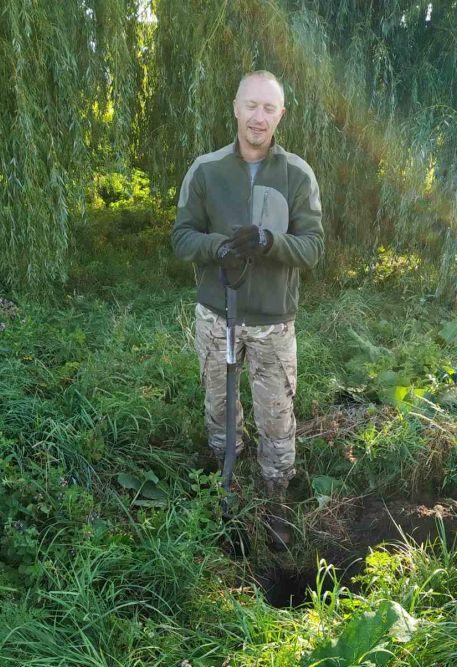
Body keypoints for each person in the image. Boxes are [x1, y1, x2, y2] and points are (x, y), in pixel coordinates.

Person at [171, 70, 324, 548]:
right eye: (251, 106)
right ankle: (226, 483)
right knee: (219, 408)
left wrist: (270, 241)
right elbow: (181, 238)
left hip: (273, 323)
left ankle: (276, 503)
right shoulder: (206, 169)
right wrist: (218, 247)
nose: (259, 117)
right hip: (217, 317)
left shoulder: (297, 173)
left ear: (281, 114)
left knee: (277, 418)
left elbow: (313, 248)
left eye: (269, 108)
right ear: (235, 107)